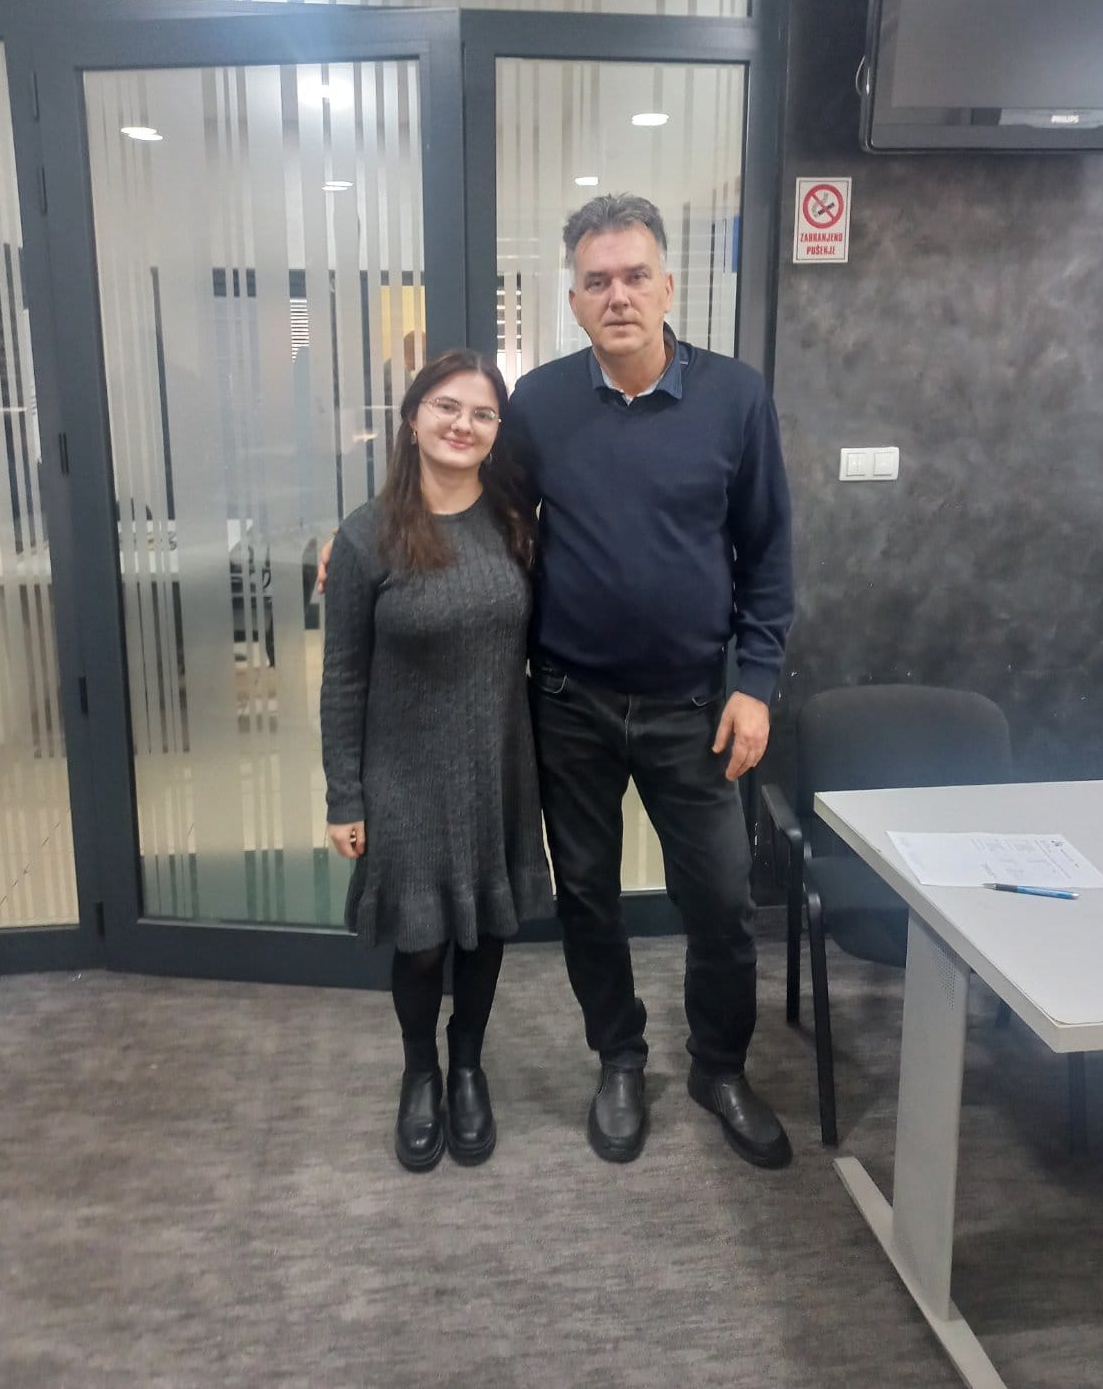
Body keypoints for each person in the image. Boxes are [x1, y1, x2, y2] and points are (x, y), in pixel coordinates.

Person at [502, 192, 795, 1169]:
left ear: (669, 285)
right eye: (597, 281)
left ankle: (719, 1067)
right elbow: (483, 517)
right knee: (587, 897)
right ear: (573, 300)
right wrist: (372, 540)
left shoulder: (734, 398)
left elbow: (769, 552)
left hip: (695, 708)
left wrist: (757, 681)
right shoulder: (539, 404)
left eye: (635, 276)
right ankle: (619, 1059)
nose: (617, 295)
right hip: (568, 703)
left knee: (721, 902)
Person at [320, 349, 553, 1173]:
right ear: (413, 417)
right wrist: (344, 796)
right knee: (420, 942)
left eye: (483, 413)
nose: (463, 424)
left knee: (485, 931)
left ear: (497, 432)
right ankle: (420, 1071)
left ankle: (467, 1067)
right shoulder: (366, 536)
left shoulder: (517, 523)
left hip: (497, 765)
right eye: (447, 407)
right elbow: (344, 677)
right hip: (405, 777)